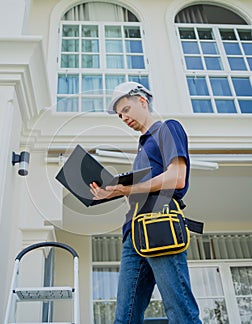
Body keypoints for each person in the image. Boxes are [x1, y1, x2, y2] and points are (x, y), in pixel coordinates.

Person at [90, 81, 201, 324]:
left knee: (180, 310)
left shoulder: (167, 129)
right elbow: (140, 191)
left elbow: (176, 177)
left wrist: (129, 188)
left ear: (142, 101)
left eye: (126, 110)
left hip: (159, 222)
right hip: (134, 231)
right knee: (125, 317)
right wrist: (112, 193)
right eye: (120, 116)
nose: (123, 117)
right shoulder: (142, 149)